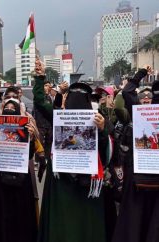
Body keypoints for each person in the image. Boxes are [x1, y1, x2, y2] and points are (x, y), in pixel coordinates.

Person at [36, 58, 114, 242]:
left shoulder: (99, 120)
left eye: (82, 95)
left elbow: (109, 153)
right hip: (61, 185)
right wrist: (40, 77)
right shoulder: (59, 118)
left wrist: (103, 131)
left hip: (88, 188)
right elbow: (40, 102)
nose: (77, 98)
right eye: (74, 94)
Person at [0, 98, 42, 242]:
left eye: (12, 106)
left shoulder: (25, 127)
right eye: (6, 106)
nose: (9, 108)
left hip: (19, 180)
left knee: (18, 214)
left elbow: (28, 155)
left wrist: (32, 137)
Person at [112, 66, 159, 242]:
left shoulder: (139, 111)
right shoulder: (141, 113)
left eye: (151, 96)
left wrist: (141, 74)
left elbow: (127, 91)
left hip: (140, 174)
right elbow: (127, 93)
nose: (147, 100)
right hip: (140, 174)